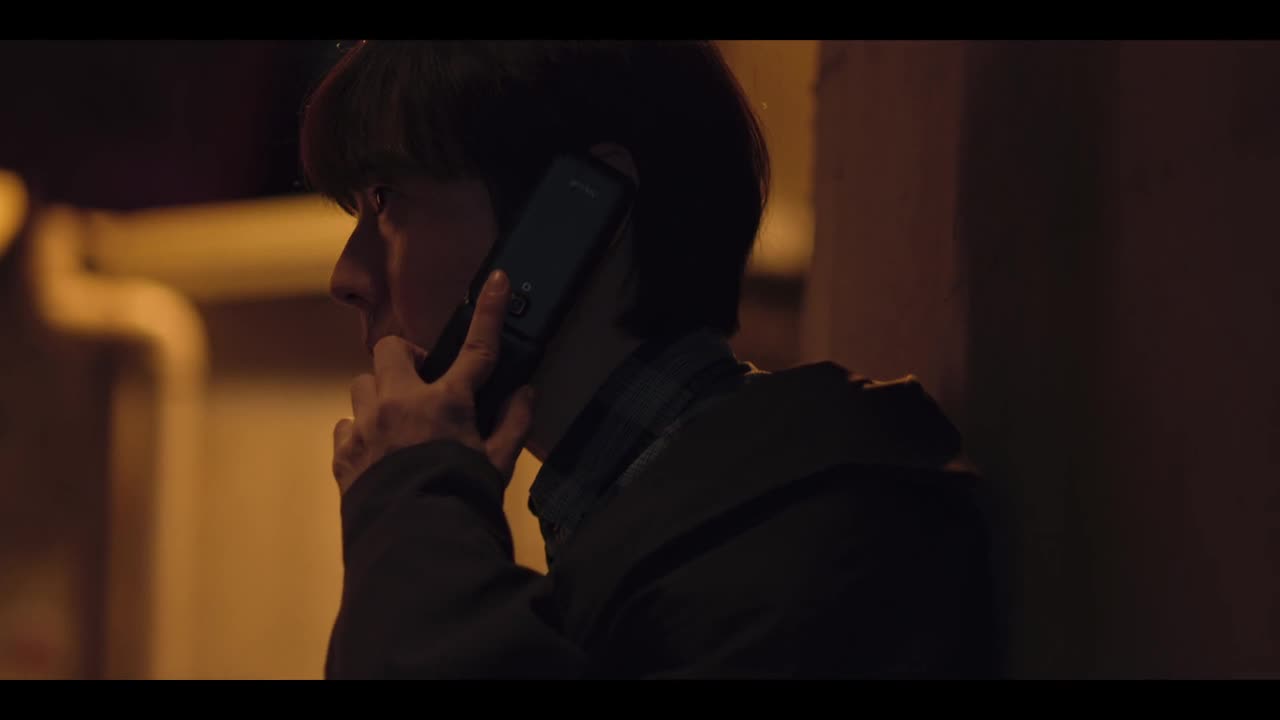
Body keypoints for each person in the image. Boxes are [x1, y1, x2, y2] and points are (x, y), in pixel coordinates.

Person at [303, 40, 997, 679]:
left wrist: (412, 512)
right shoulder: (659, 538)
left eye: (386, 199)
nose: (345, 276)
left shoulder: (810, 531)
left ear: (576, 210)